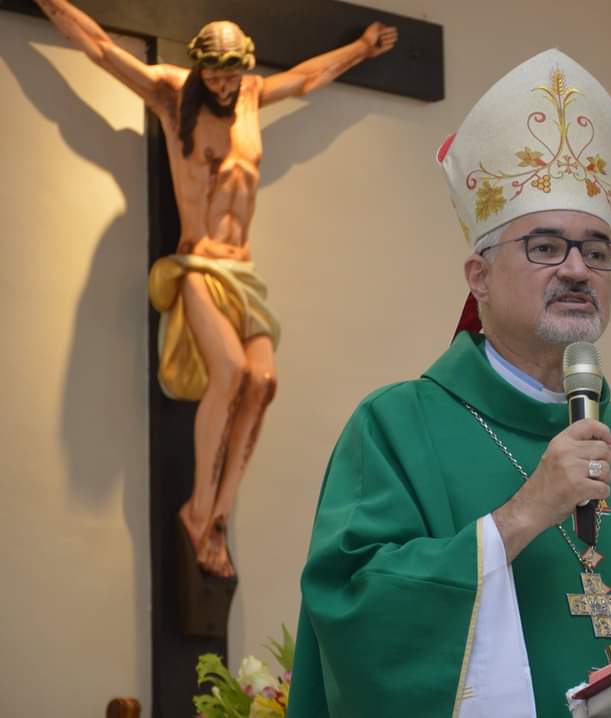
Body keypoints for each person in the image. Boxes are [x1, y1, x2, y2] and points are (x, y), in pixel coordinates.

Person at [289, 49, 611, 717]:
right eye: (545, 246)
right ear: (478, 277)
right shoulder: (396, 428)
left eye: (596, 250)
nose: (577, 269)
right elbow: (354, 619)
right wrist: (520, 517)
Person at [32, 0, 398, 577]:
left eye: (233, 74)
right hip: (197, 266)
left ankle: (218, 515)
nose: (225, 86)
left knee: (263, 383)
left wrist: (361, 48)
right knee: (229, 372)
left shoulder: (251, 96)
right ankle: (198, 508)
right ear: (199, 67)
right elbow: (99, 48)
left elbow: (306, 79)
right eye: (216, 75)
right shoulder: (170, 94)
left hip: (242, 274)